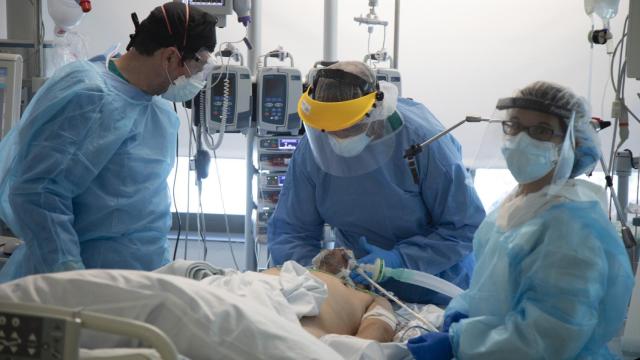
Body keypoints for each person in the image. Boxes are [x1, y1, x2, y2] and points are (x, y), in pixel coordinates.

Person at [407, 81, 635, 359]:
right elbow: (487, 289)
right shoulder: (516, 205)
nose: (521, 139)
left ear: (571, 143)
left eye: (540, 130)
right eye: (514, 126)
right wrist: (462, 310)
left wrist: (460, 342)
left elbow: (551, 334)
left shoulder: (570, 227)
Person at [0, 3, 217, 282]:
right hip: (80, 289)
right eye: (192, 67)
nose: (190, 79)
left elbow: (144, 216)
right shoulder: (89, 97)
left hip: (139, 282)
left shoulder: (156, 109)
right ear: (170, 57)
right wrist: (67, 274)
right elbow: (36, 192)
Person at [267, 61, 486, 304]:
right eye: (330, 130)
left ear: (376, 112)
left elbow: (465, 227)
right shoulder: (312, 151)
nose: (338, 138)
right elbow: (291, 231)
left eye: (348, 128)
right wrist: (317, 270)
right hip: (358, 289)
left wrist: (400, 260)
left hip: (437, 288)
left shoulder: (423, 142)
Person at [0, 257, 398, 359]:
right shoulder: (270, 270)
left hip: (280, 321)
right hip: (235, 292)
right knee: (160, 298)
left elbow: (373, 337)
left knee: (174, 311)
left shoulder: (363, 293)